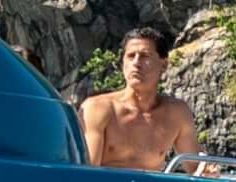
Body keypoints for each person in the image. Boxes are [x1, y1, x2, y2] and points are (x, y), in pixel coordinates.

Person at [80, 24, 205, 173]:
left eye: (145, 56)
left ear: (163, 65)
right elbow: (87, 174)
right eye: (131, 56)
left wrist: (207, 172)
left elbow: (196, 169)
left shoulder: (176, 114)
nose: (136, 63)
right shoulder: (97, 108)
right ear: (123, 63)